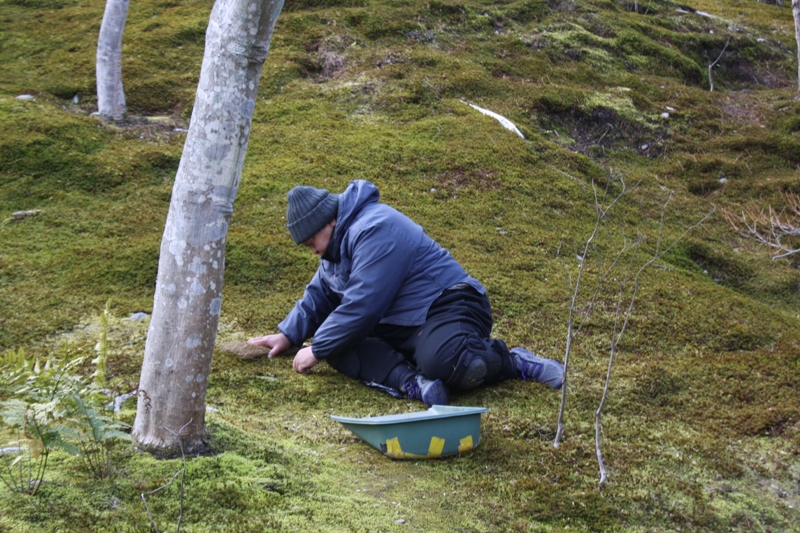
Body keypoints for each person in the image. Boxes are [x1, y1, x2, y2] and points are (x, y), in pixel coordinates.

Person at [248, 180, 563, 406]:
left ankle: (512, 362)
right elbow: (320, 294)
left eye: (310, 242)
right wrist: (288, 336)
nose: (312, 251)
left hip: (448, 304)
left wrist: (315, 349)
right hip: (401, 326)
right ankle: (413, 384)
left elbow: (364, 305)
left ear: (329, 221)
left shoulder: (374, 227)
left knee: (447, 362)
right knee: (337, 343)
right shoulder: (335, 249)